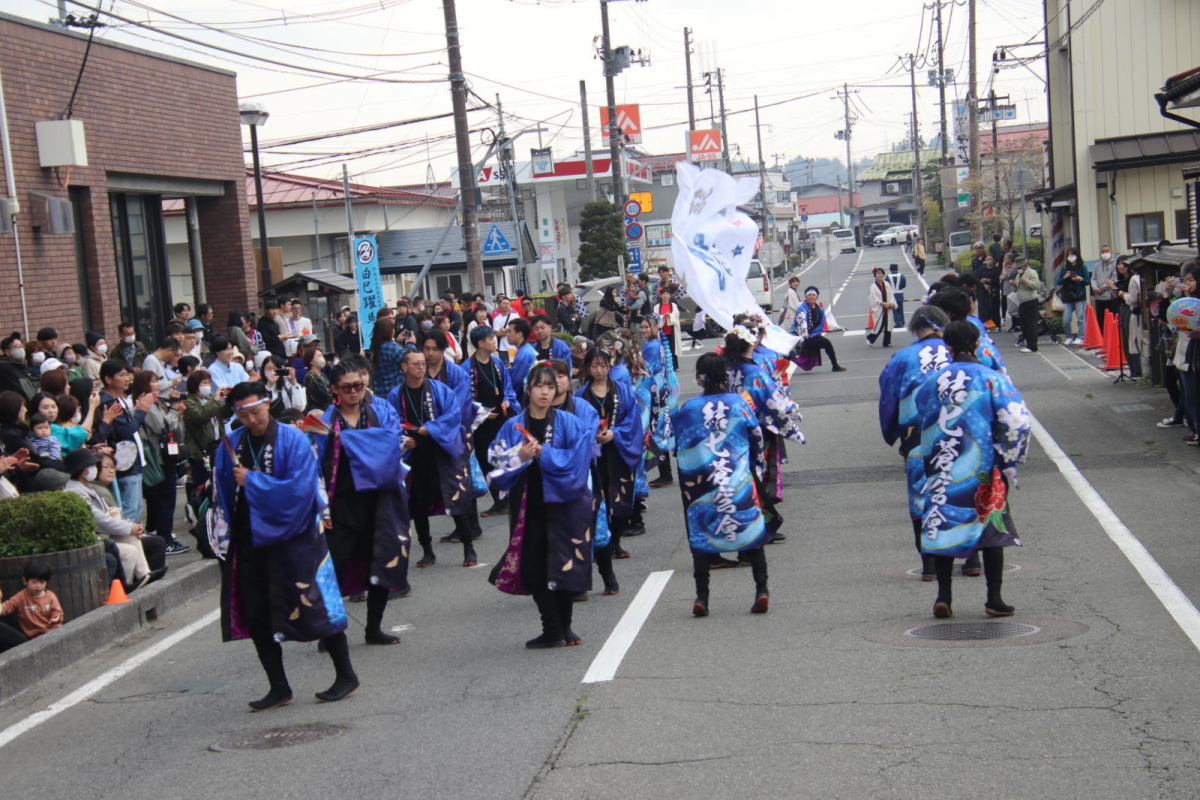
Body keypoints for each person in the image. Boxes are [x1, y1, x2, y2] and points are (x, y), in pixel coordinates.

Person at [212, 381, 358, 710]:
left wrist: (253, 480)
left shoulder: (293, 438)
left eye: (256, 411)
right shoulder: (231, 444)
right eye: (243, 414)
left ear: (268, 405)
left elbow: (301, 488)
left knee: (315, 603)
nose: (252, 419)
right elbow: (223, 491)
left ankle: (346, 674)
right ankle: (278, 686)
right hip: (251, 539)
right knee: (258, 611)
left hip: (297, 536)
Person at [913, 320, 1031, 619]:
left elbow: (921, 418)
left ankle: (944, 596)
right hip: (983, 466)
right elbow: (1017, 420)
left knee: (943, 526)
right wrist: (1009, 459)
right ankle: (994, 598)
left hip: (942, 464)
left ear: (947, 348)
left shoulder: (933, 382)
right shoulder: (992, 378)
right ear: (978, 344)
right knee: (991, 528)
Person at [487, 362, 595, 648]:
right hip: (528, 502)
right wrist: (519, 456)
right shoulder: (512, 426)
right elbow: (495, 465)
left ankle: (564, 627)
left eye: (550, 385)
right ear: (529, 388)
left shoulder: (569, 422)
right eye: (539, 386)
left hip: (565, 501)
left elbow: (581, 457)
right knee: (534, 564)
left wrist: (545, 454)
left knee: (565, 562)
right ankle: (552, 627)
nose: (545, 392)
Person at [311, 361, 410, 646]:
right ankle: (330, 629)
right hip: (340, 504)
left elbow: (394, 444)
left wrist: (351, 440)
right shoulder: (323, 423)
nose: (355, 392)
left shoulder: (379, 412)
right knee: (335, 568)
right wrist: (321, 509)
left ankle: (373, 627)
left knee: (380, 562)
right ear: (334, 390)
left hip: (378, 502)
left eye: (359, 385)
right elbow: (314, 468)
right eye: (347, 387)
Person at [673, 353, 771, 615]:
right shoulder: (739, 402)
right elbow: (756, 436)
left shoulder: (691, 408)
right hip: (737, 480)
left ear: (700, 378)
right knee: (751, 533)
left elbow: (680, 444)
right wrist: (757, 468)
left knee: (702, 537)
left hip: (704, 484)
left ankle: (701, 598)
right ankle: (761, 590)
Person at [877, 306, 952, 581]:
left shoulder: (903, 357)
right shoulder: (957, 350)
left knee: (921, 498)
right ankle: (972, 560)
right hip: (960, 432)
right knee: (962, 491)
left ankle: (929, 566)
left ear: (916, 329)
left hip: (918, 436)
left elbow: (888, 396)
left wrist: (893, 432)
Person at [388, 349, 479, 568]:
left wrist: (429, 429)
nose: (421, 366)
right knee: (418, 503)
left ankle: (468, 546)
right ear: (404, 367)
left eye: (422, 363)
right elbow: (389, 425)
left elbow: (454, 415)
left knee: (455, 497)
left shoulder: (439, 390)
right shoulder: (395, 395)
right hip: (414, 455)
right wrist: (402, 440)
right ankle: (427, 550)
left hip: (441, 451)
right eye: (416, 363)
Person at [724, 324, 805, 542]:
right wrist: (793, 414)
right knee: (757, 477)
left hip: (732, 432)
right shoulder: (755, 372)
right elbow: (774, 401)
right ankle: (760, 526)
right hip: (756, 430)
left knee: (742, 477)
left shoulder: (729, 369)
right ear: (750, 344)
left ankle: (745, 523)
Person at [575, 346, 641, 594]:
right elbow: (578, 424)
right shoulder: (581, 394)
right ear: (588, 368)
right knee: (598, 497)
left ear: (609, 366)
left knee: (621, 496)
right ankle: (605, 542)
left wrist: (615, 433)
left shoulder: (622, 390)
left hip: (617, 448)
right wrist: (593, 436)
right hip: (594, 453)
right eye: (594, 366)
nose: (599, 370)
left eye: (603, 365)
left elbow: (632, 419)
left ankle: (616, 539)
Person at [63, 448, 165, 591]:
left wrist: (130, 527)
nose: (94, 469)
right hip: (94, 539)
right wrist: (129, 527)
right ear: (82, 470)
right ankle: (123, 589)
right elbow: (98, 519)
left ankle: (144, 575)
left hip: (105, 534)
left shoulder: (86, 488)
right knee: (128, 551)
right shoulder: (74, 491)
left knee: (132, 538)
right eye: (91, 466)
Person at [131, 369, 191, 555]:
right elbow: (161, 426)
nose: (157, 384)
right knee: (165, 500)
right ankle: (165, 539)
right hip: (159, 458)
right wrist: (174, 409)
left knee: (161, 500)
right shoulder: (146, 404)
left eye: (158, 381)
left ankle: (160, 534)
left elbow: (174, 427)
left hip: (165, 456)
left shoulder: (157, 403)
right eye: (153, 381)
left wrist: (174, 412)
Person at [468, 326, 519, 518]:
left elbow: (507, 387)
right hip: (482, 422)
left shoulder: (497, 362)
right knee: (485, 459)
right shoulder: (468, 367)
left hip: (500, 416)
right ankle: (498, 500)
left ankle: (507, 497)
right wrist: (480, 412)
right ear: (481, 343)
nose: (494, 341)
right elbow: (465, 398)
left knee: (504, 456)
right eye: (491, 338)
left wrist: (507, 398)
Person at [98, 360, 156, 523]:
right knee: (129, 509)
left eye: (127, 375)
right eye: (122, 375)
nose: (127, 379)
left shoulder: (118, 399)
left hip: (131, 460)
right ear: (108, 379)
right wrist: (141, 412)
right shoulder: (108, 402)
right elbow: (125, 431)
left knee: (136, 507)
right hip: (123, 462)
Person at [639, 313, 680, 488]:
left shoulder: (652, 347)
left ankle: (666, 473)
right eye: (641, 327)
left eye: (647, 327)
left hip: (657, 394)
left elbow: (645, 369)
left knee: (657, 431)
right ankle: (665, 472)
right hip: (663, 391)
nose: (643, 330)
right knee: (661, 430)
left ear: (655, 328)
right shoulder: (658, 344)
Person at [0, 560, 63, 639]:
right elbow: (9, 605)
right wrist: (1, 609)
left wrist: (56, 617)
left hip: (51, 631)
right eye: (34, 582)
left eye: (42, 582)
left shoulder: (50, 596)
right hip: (32, 635)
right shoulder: (21, 596)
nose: (38, 586)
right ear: (25, 581)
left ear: (47, 582)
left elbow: (57, 611)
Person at [790, 287, 847, 372]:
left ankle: (835, 366)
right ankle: (777, 370)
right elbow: (801, 322)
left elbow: (821, 324)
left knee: (827, 343)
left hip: (812, 336)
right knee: (787, 352)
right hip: (799, 337)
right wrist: (805, 333)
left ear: (817, 297)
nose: (811, 297)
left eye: (813, 295)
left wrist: (812, 336)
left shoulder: (820, 310)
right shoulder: (801, 309)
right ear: (806, 297)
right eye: (809, 295)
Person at [1115, 256, 1143, 378]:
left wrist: (1123, 295)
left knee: (1132, 340)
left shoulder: (1133, 279)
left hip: (1131, 310)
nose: (1120, 266)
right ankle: (1133, 370)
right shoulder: (1120, 280)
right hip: (1123, 308)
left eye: (1123, 264)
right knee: (1126, 341)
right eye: (1119, 264)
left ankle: (1137, 370)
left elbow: (1132, 299)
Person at [1055, 247, 1090, 345]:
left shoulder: (1083, 267)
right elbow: (1058, 282)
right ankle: (1068, 336)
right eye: (1069, 255)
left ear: (1077, 256)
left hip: (1079, 296)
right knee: (1066, 319)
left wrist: (1080, 279)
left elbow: (1087, 281)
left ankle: (1080, 337)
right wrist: (1065, 277)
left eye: (1072, 255)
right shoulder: (1065, 267)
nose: (1071, 257)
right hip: (1067, 297)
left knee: (1080, 317)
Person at [369, 317, 406, 399]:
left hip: (380, 392)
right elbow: (410, 359)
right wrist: (411, 343)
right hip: (395, 392)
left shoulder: (374, 347)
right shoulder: (392, 347)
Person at [1014, 259, 1043, 353]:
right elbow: (1017, 288)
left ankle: (1033, 345)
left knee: (1031, 324)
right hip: (1022, 302)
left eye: (1019, 267)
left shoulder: (1032, 273)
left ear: (1024, 266)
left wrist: (1026, 281)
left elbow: (1036, 285)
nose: (1018, 269)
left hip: (1031, 301)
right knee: (1024, 324)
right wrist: (1014, 285)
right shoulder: (1019, 275)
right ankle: (1028, 343)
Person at [506, 319, 538, 399]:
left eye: (510, 331)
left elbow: (516, 381)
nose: (507, 334)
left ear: (519, 334)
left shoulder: (524, 354)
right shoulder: (527, 348)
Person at [1092, 244, 1119, 333]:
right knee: (1100, 320)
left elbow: (1114, 278)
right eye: (1102, 252)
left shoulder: (1116, 264)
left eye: (1107, 251)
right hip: (1099, 298)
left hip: (1110, 297)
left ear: (1111, 252)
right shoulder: (1097, 265)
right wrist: (1095, 288)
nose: (1105, 253)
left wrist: (1103, 288)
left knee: (1111, 320)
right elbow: (1093, 278)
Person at [866, 267, 896, 347]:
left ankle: (887, 342)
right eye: (878, 273)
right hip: (880, 308)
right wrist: (882, 303)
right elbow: (873, 298)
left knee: (888, 325)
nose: (880, 275)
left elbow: (891, 295)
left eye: (881, 273)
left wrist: (891, 303)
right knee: (880, 325)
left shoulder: (886, 284)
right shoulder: (873, 287)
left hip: (888, 307)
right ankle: (870, 338)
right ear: (875, 275)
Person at [885, 264, 908, 328]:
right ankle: (902, 321)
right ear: (897, 269)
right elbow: (904, 285)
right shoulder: (902, 276)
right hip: (900, 293)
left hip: (892, 294)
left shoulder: (887, 277)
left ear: (890, 269)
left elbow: (886, 286)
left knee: (894, 309)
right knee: (900, 309)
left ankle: (898, 323)